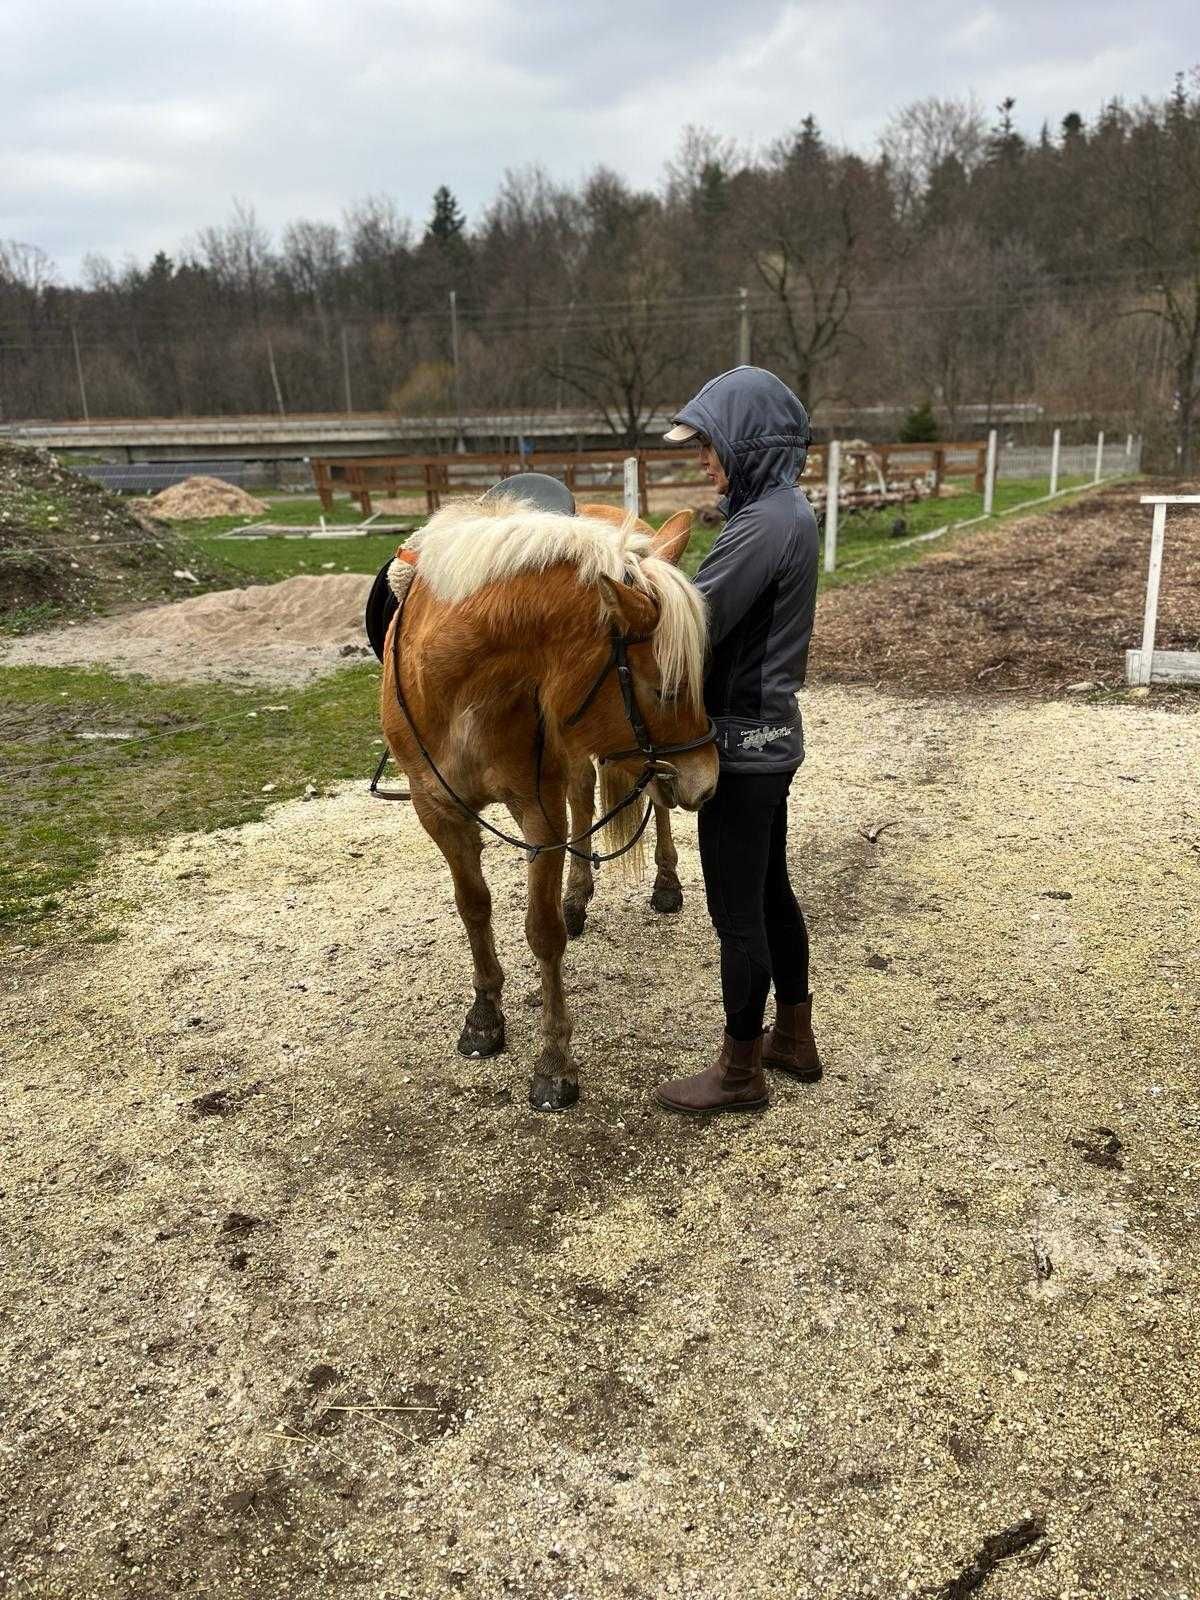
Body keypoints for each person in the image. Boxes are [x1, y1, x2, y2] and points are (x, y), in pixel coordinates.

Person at [655, 365, 821, 1115]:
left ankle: (738, 1070)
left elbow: (690, 620)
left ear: (748, 443)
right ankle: (794, 1036)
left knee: (735, 910)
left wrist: (633, 589)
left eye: (710, 444)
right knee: (771, 890)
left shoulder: (762, 527)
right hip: (772, 738)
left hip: (741, 747)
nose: (703, 459)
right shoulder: (785, 511)